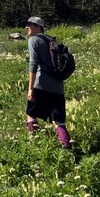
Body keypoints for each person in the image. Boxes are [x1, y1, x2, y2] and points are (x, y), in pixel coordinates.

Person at [25, 16, 72, 149]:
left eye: (30, 24)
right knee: (57, 120)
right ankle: (66, 146)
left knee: (31, 113)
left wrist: (30, 88)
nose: (26, 27)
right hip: (58, 86)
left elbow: (33, 63)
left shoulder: (33, 40)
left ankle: (34, 143)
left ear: (38, 26)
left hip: (40, 84)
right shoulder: (51, 40)